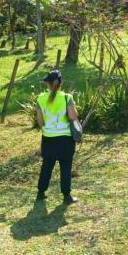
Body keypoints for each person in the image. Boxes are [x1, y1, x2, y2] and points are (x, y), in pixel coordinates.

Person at [35, 70, 78, 204]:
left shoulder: (41, 98)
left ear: (47, 84)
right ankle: (67, 196)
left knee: (47, 165)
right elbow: (73, 117)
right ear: (61, 84)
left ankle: (41, 193)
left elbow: (40, 122)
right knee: (65, 167)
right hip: (65, 139)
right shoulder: (66, 98)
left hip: (48, 138)